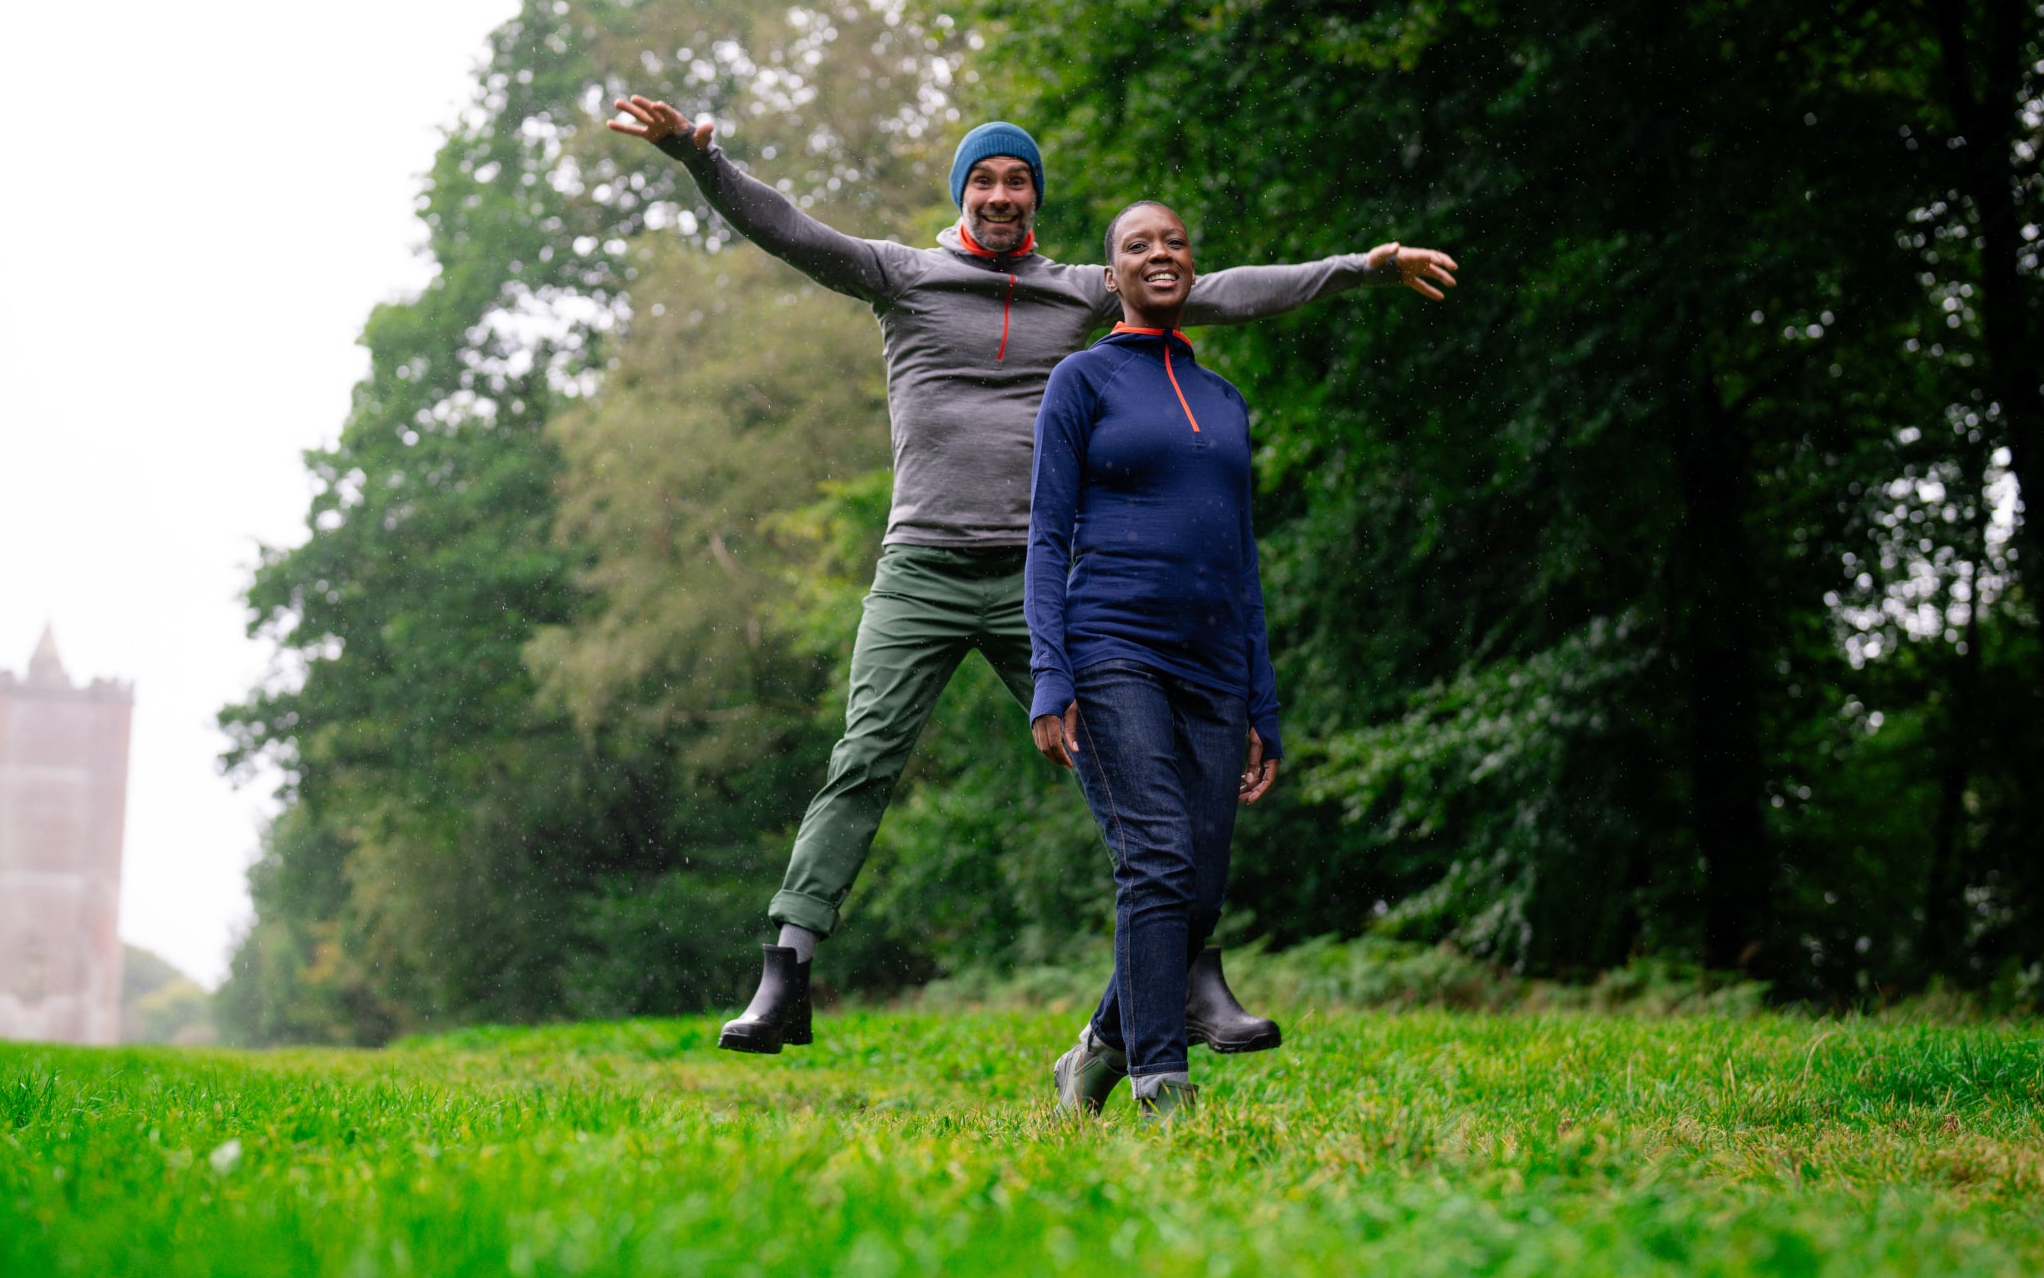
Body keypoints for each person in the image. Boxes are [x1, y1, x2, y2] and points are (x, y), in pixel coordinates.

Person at [605, 96, 1458, 1054]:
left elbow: (1224, 290)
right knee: (863, 757)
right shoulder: (904, 274)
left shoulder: (1084, 288)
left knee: (1126, 777)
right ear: (963, 193)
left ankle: (1186, 970)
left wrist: (1364, 268)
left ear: (1036, 199)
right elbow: (791, 231)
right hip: (921, 567)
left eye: (1017, 180)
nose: (1001, 194)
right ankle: (787, 970)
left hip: (1041, 579)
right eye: (985, 180)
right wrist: (700, 161)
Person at [1029, 201, 1298, 1118]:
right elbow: (1045, 536)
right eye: (1137, 245)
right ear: (1113, 277)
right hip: (1112, 647)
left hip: (1216, 662)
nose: (1160, 253)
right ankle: (1160, 1082)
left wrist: (1263, 704)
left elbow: (1243, 558)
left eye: (1175, 240)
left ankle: (1095, 1053)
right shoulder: (1081, 380)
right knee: (1156, 858)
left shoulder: (1225, 401)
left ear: (1193, 264)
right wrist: (1051, 674)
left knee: (1199, 885)